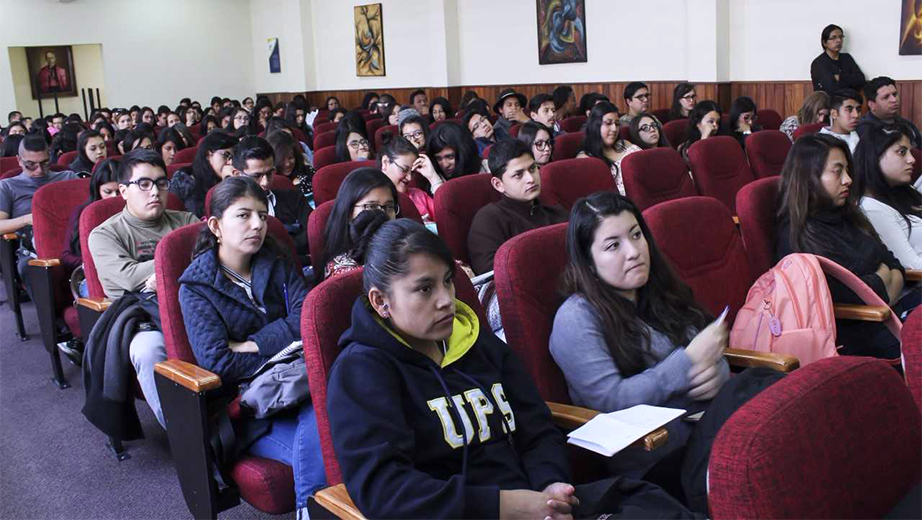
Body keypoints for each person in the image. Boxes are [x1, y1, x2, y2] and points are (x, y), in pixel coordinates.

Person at [326, 219, 582, 520]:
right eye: (424, 289)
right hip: (463, 514)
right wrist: (504, 507)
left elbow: (536, 426)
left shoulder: (476, 340)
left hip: (535, 504)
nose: (447, 300)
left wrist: (550, 486)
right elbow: (385, 490)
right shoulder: (361, 371)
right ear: (381, 301)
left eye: (448, 280)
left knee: (643, 499)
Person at [178, 177, 325, 520]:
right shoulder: (197, 287)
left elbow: (307, 319)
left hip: (300, 387)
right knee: (333, 431)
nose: (258, 224)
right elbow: (220, 363)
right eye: (243, 215)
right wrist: (284, 344)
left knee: (337, 418)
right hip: (250, 406)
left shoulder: (275, 259)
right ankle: (312, 510)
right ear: (215, 226)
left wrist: (253, 343)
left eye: (262, 214)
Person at [550, 192, 729, 469]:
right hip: (658, 453)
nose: (633, 251)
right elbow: (612, 401)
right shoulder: (576, 318)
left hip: (711, 422)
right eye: (613, 246)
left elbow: (706, 345)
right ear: (588, 262)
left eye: (636, 235)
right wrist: (688, 362)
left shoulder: (656, 287)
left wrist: (718, 372)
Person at [776, 134, 917, 359]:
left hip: (890, 312)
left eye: (848, 170)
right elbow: (846, 296)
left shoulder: (849, 215)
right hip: (861, 334)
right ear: (809, 176)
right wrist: (884, 276)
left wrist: (882, 283)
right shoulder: (798, 235)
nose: (848, 180)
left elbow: (894, 263)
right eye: (837, 171)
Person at [87, 149, 198, 426]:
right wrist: (178, 261)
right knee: (148, 351)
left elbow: (210, 259)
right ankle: (189, 439)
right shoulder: (104, 234)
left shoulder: (184, 221)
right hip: (140, 318)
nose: (155, 192)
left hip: (191, 303)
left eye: (161, 183)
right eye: (144, 184)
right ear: (123, 190)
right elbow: (128, 277)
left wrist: (160, 276)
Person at [468, 139, 567, 275]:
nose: (530, 179)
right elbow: (494, 277)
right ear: (498, 184)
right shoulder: (489, 219)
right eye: (518, 175)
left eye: (532, 169)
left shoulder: (556, 211)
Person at [0, 135, 79, 292]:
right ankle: (50, 316)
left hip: (71, 239)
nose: (39, 170)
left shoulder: (68, 177)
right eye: (31, 165)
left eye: (44, 163)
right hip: (32, 247)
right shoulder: (8, 186)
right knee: (29, 268)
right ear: (19, 160)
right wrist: (27, 220)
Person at [854, 123, 922, 269]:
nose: (912, 159)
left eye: (910, 151)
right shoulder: (872, 207)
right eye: (902, 152)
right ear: (876, 156)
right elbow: (912, 266)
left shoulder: (902, 192)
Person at [232, 136, 311, 257]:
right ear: (237, 175)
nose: (265, 182)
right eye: (257, 176)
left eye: (269, 173)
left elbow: (314, 234)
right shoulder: (229, 213)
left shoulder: (294, 198)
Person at [316, 168, 399, 280]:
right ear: (349, 213)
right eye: (371, 207)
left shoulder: (404, 247)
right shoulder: (344, 272)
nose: (383, 215)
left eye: (389, 207)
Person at [62, 159, 121, 275]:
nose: (114, 197)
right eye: (108, 192)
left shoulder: (135, 211)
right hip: (93, 272)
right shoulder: (82, 213)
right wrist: (91, 264)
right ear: (97, 190)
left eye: (119, 192)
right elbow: (66, 256)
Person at [168, 131, 238, 217]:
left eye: (233, 158)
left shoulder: (233, 176)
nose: (230, 162)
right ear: (208, 155)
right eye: (226, 155)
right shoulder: (184, 180)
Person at [577, 101, 640, 195]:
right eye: (608, 123)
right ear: (595, 125)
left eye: (617, 124)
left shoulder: (624, 144)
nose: (614, 129)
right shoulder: (585, 158)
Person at [378, 135, 442, 222]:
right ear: (385, 163)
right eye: (403, 170)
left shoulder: (419, 195)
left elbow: (447, 216)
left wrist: (433, 177)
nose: (409, 178)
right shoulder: (372, 199)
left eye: (412, 172)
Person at [858, 76, 922, 148]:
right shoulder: (864, 130)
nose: (894, 100)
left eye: (895, 94)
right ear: (871, 105)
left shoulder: (907, 124)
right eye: (886, 97)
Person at [811, 24, 865, 93]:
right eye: (833, 38)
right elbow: (831, 88)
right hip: (828, 102)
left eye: (841, 37)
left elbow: (861, 80)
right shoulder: (818, 63)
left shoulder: (847, 58)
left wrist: (840, 77)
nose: (839, 40)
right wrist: (850, 80)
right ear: (824, 43)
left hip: (851, 100)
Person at [267, 130, 314, 200]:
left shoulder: (308, 173)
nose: (287, 164)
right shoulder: (268, 184)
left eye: (291, 157)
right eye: (282, 159)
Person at [819, 89, 862, 155]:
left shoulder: (863, 135)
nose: (856, 115)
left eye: (858, 110)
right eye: (849, 110)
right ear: (834, 114)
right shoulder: (821, 142)